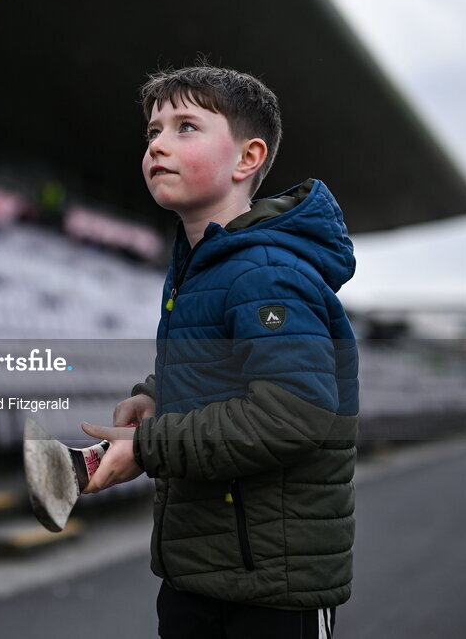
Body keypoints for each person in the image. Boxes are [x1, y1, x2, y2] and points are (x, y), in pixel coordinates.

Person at [81, 65, 358, 638]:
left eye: (186, 127)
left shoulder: (268, 274)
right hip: (201, 574)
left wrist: (148, 448)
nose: (158, 143)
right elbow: (227, 374)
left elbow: (292, 413)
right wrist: (158, 398)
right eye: (153, 131)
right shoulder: (200, 266)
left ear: (246, 159)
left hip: (270, 593)